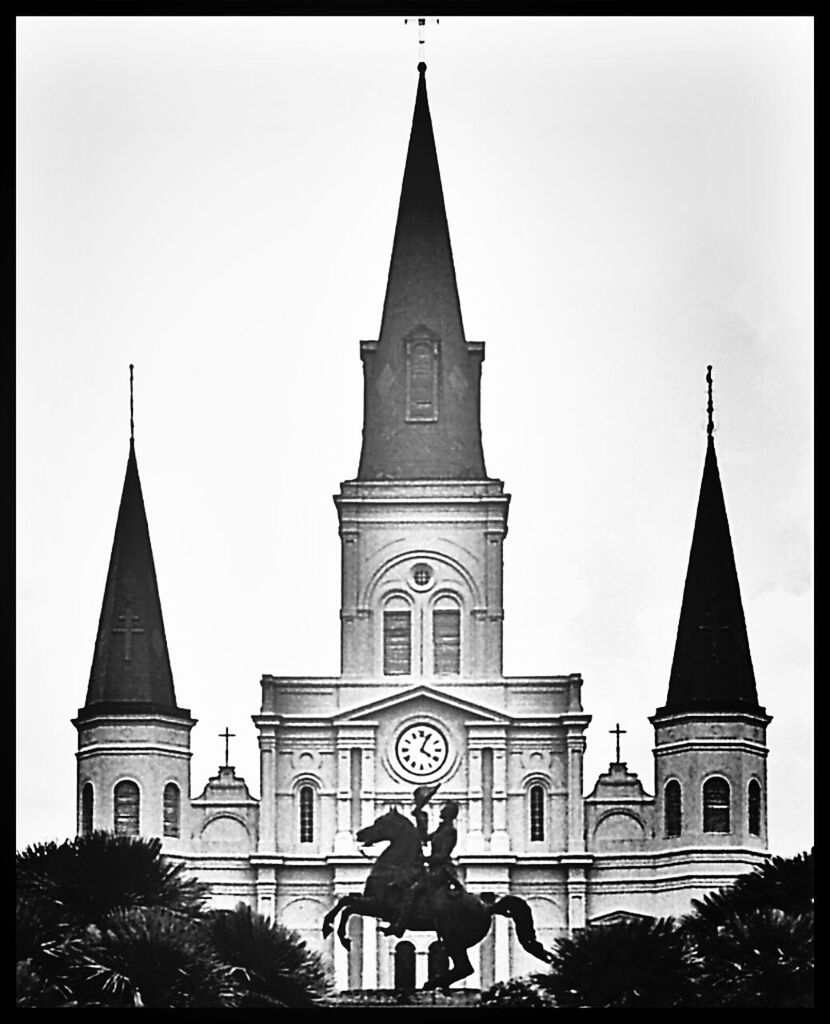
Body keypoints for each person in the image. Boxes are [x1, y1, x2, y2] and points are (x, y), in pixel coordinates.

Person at [382, 796, 462, 938]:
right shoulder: (442, 828)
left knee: (412, 891)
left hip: (441, 871)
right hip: (433, 868)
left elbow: (443, 855)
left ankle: (400, 926)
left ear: (449, 814)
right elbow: (424, 838)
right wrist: (419, 816)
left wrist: (427, 859)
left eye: (444, 810)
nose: (441, 811)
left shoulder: (450, 831)